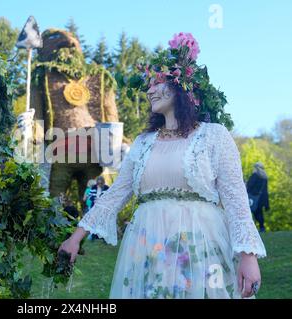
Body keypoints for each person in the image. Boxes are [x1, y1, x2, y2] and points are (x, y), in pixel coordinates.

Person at [58, 33, 266, 299]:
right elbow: (115, 195)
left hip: (200, 245)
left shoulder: (213, 135)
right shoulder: (144, 143)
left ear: (182, 87)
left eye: (156, 83)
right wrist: (76, 237)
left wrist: (248, 257)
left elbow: (236, 199)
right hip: (147, 246)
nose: (149, 91)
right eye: (148, 86)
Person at [246, 162, 270, 232]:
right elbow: (265, 190)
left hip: (253, 197)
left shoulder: (255, 175)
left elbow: (249, 186)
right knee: (259, 213)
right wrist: (266, 203)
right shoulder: (265, 177)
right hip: (261, 198)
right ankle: (262, 228)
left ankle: (252, 229)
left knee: (251, 212)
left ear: (256, 168)